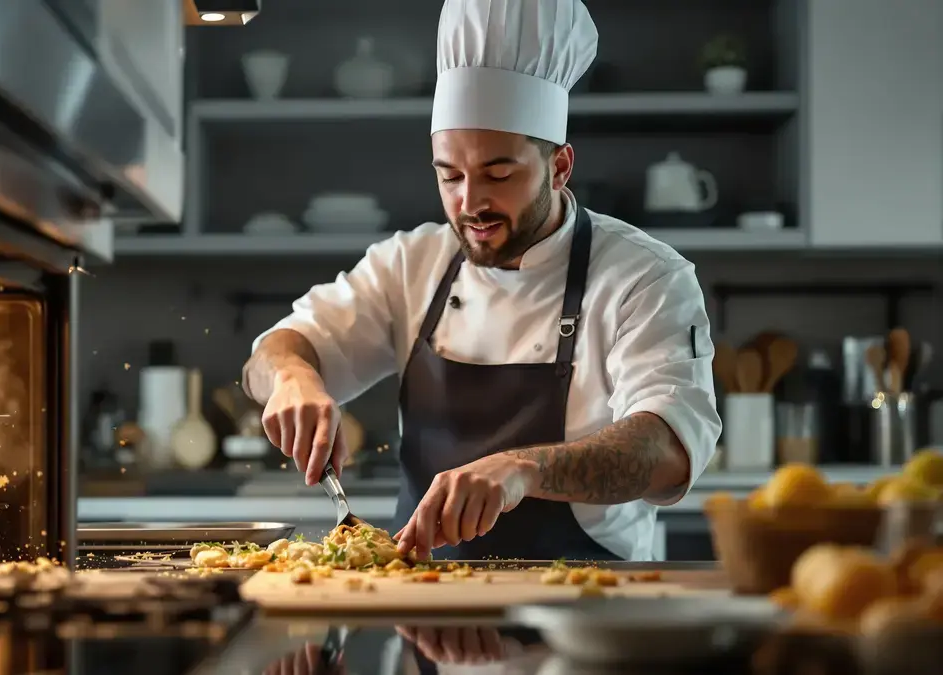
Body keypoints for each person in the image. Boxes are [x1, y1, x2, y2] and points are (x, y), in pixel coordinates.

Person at [242, 0, 721, 562]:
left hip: (586, 615)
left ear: (560, 166)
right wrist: (294, 377)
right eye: (449, 176)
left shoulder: (645, 277)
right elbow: (273, 352)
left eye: (499, 173)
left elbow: (665, 448)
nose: (470, 203)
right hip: (421, 610)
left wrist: (523, 469)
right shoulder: (412, 264)